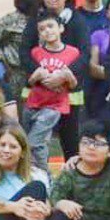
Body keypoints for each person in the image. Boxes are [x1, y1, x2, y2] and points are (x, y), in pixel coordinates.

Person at [19, 0, 90, 158]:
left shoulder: (78, 20)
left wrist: (63, 76)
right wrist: (42, 75)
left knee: (70, 140)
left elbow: (85, 54)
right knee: (34, 140)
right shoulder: (36, 20)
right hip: (39, 92)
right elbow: (24, 52)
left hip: (70, 91)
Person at [21, 11, 81, 172]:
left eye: (51, 26)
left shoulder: (73, 52)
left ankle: (44, 177)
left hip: (55, 106)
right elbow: (29, 82)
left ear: (61, 28)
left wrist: (67, 75)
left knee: (34, 142)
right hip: (33, 103)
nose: (47, 31)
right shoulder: (35, 52)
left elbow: (74, 84)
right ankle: (39, 177)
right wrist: (37, 75)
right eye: (42, 29)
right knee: (30, 144)